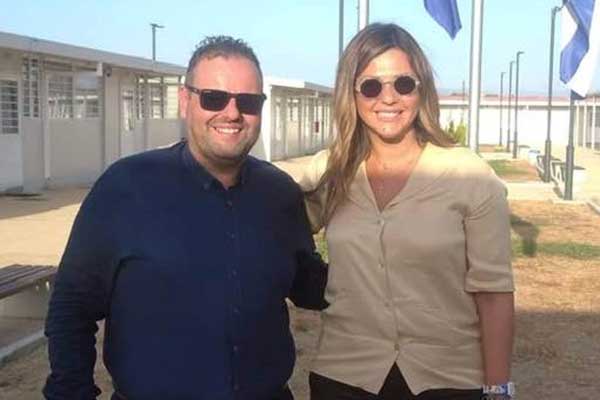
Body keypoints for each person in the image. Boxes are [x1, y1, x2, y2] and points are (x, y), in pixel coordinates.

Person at [43, 35, 327, 400]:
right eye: (213, 98)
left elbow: (307, 285)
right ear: (184, 101)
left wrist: (365, 235)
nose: (232, 113)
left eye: (248, 101)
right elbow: (71, 308)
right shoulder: (126, 188)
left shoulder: (279, 193)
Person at [300, 23, 515, 400]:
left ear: (422, 89)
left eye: (403, 84)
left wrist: (498, 391)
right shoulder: (330, 171)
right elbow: (268, 219)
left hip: (447, 381)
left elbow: (494, 294)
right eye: (371, 86)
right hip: (345, 378)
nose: (388, 98)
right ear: (352, 94)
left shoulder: (470, 175)